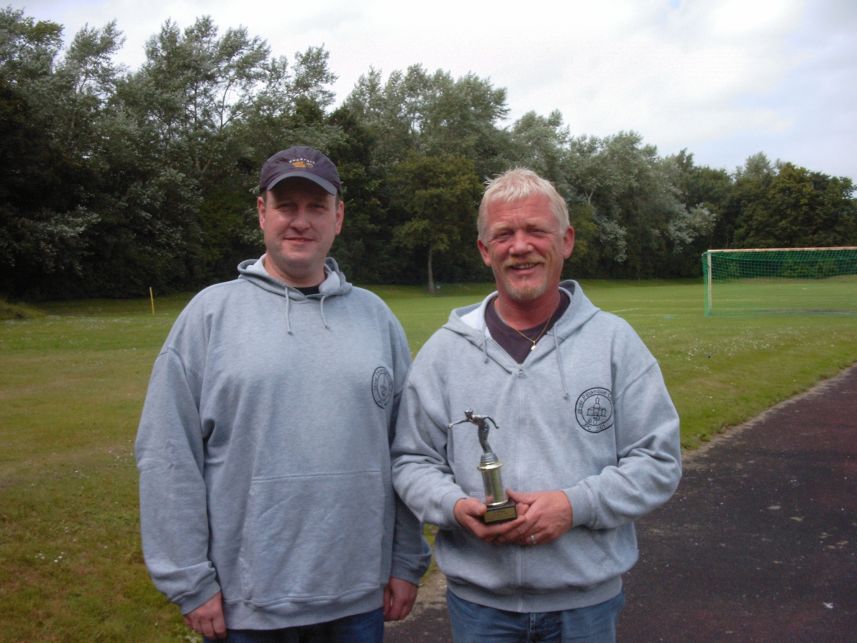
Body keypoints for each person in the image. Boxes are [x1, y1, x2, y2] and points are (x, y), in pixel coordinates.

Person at [136, 146, 430, 641]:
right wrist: (188, 578)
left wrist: (406, 559)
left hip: (360, 598)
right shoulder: (210, 316)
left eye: (316, 207)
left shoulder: (376, 317)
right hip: (247, 605)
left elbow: (408, 450)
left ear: (338, 217)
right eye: (286, 206)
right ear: (261, 213)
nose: (301, 221)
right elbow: (168, 455)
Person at [391, 168, 681, 642]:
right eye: (504, 234)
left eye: (535, 231)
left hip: (584, 605)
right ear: (486, 250)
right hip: (480, 607)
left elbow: (658, 460)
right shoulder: (444, 352)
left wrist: (574, 505)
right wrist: (454, 505)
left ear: (565, 241)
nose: (520, 246)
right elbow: (411, 459)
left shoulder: (614, 343)